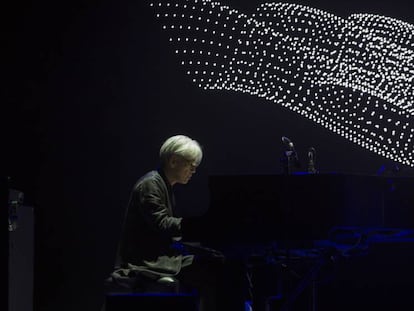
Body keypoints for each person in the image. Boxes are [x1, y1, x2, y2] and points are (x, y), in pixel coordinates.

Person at [108, 134, 247, 311]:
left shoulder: (164, 184)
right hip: (148, 260)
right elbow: (162, 224)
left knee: (223, 262)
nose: (193, 171)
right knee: (219, 269)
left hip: (163, 255)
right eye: (191, 165)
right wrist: (199, 225)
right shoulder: (150, 184)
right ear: (173, 161)